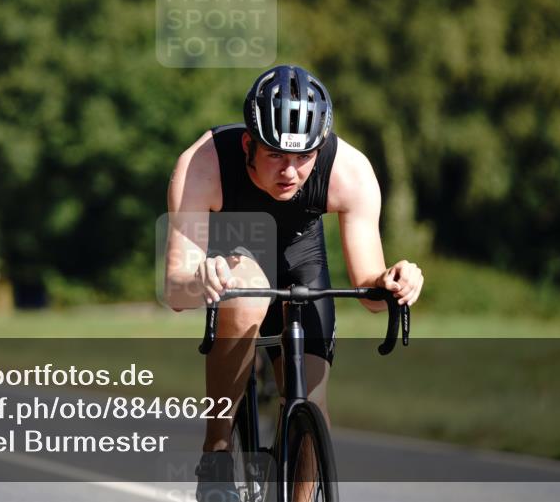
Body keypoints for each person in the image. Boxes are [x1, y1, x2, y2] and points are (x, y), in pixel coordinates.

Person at [164, 65, 425, 501]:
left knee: (311, 401)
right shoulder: (202, 165)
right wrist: (201, 277)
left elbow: (370, 291)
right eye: (276, 156)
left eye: (304, 157)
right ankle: (217, 453)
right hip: (236, 257)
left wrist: (395, 282)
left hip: (302, 260)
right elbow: (175, 289)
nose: (291, 172)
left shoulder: (350, 170)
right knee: (246, 292)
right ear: (248, 143)